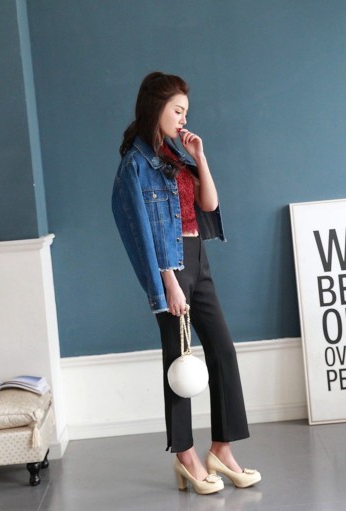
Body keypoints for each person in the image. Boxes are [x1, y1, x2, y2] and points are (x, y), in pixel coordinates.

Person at [111, 72, 261, 494]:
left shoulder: (177, 154)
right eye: (177, 111)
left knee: (222, 350)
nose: (183, 119)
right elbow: (142, 233)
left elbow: (208, 204)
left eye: (185, 112)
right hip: (171, 267)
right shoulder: (135, 165)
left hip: (198, 257)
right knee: (178, 361)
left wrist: (200, 156)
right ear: (155, 107)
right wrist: (168, 284)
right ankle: (185, 456)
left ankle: (222, 450)